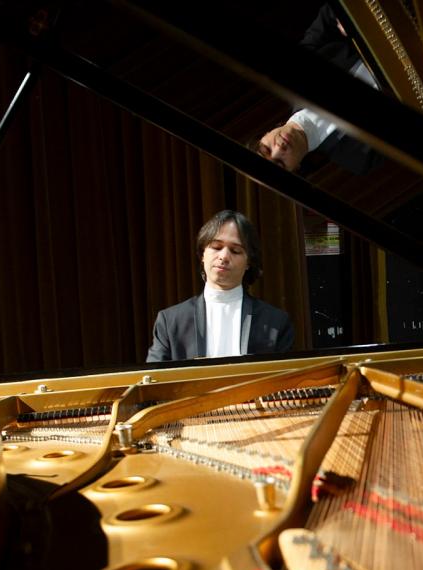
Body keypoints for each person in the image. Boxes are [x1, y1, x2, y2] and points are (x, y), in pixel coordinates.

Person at [146, 210, 294, 361]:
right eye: (216, 247)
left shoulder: (276, 321)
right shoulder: (171, 321)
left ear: (249, 262)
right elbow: (153, 379)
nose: (223, 256)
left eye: (235, 251)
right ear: (202, 254)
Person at [255, 5, 382, 174]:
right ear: (296, 168)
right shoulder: (358, 159)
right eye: (280, 162)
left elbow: (331, 12)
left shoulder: (295, 74)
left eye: (267, 149)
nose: (279, 148)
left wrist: (347, 23)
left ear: (266, 133)